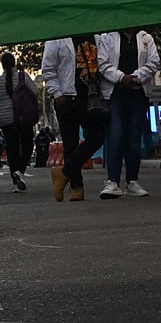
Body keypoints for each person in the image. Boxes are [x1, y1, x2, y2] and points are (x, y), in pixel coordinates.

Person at [96, 28, 160, 199]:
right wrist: (121, 77)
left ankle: (132, 181)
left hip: (138, 91)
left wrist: (136, 77)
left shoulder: (146, 38)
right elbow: (102, 64)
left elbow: (153, 62)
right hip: (115, 92)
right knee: (116, 134)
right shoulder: (107, 37)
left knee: (134, 137)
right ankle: (113, 181)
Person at [41, 36, 106, 202]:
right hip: (67, 97)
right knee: (70, 144)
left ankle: (63, 172)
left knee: (97, 138)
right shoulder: (57, 38)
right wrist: (57, 94)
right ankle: (77, 188)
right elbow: (48, 69)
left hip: (91, 97)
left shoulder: (95, 36)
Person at [0, 52, 38, 193]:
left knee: (12, 148)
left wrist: (3, 105)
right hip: (23, 117)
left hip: (5, 119)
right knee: (27, 145)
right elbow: (35, 92)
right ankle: (20, 171)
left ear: (2, 65)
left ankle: (15, 177)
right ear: (14, 62)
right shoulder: (23, 76)